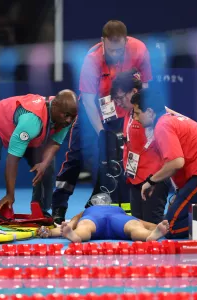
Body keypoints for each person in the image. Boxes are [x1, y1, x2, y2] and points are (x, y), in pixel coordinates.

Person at [52, 20, 153, 224]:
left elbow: (145, 87)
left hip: (125, 110)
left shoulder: (139, 49)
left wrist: (137, 117)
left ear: (126, 41)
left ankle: (130, 209)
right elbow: (88, 101)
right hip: (95, 111)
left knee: (127, 158)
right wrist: (101, 133)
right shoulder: (91, 59)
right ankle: (58, 209)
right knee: (75, 157)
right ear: (102, 41)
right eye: (111, 50)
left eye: (119, 50)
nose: (115, 54)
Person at [0, 90, 78, 214]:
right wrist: (10, 195)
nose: (69, 120)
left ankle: (41, 210)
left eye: (72, 117)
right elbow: (12, 159)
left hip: (25, 132)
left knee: (47, 167)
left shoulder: (66, 113)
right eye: (66, 115)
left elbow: (55, 142)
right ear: (55, 106)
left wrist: (44, 164)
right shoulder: (32, 122)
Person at [131, 89, 197, 239]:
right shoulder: (168, 119)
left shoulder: (162, 126)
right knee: (168, 220)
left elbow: (176, 163)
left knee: (170, 228)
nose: (135, 119)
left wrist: (150, 181)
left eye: (137, 113)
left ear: (150, 112)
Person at [110, 69, 170, 223]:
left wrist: (155, 180)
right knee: (137, 226)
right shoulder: (129, 113)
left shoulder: (150, 114)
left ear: (134, 91)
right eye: (115, 99)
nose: (118, 103)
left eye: (120, 98)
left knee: (152, 226)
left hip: (153, 179)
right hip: (134, 178)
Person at [38, 193, 169, 242]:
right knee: (134, 226)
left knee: (84, 227)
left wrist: (49, 232)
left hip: (94, 218)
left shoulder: (87, 211)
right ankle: (148, 236)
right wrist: (155, 228)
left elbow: (69, 225)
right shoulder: (119, 210)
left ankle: (76, 237)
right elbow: (142, 222)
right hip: (119, 219)